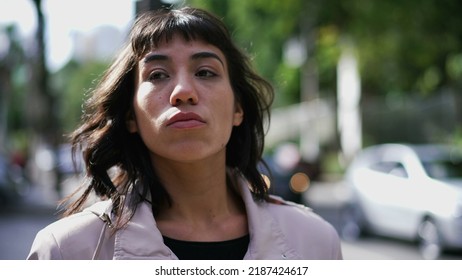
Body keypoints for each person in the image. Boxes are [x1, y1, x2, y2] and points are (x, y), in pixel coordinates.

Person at [27, 6, 342, 260]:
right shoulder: (66, 252)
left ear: (238, 109)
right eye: (158, 74)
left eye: (205, 72)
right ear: (130, 115)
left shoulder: (315, 243)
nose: (183, 92)